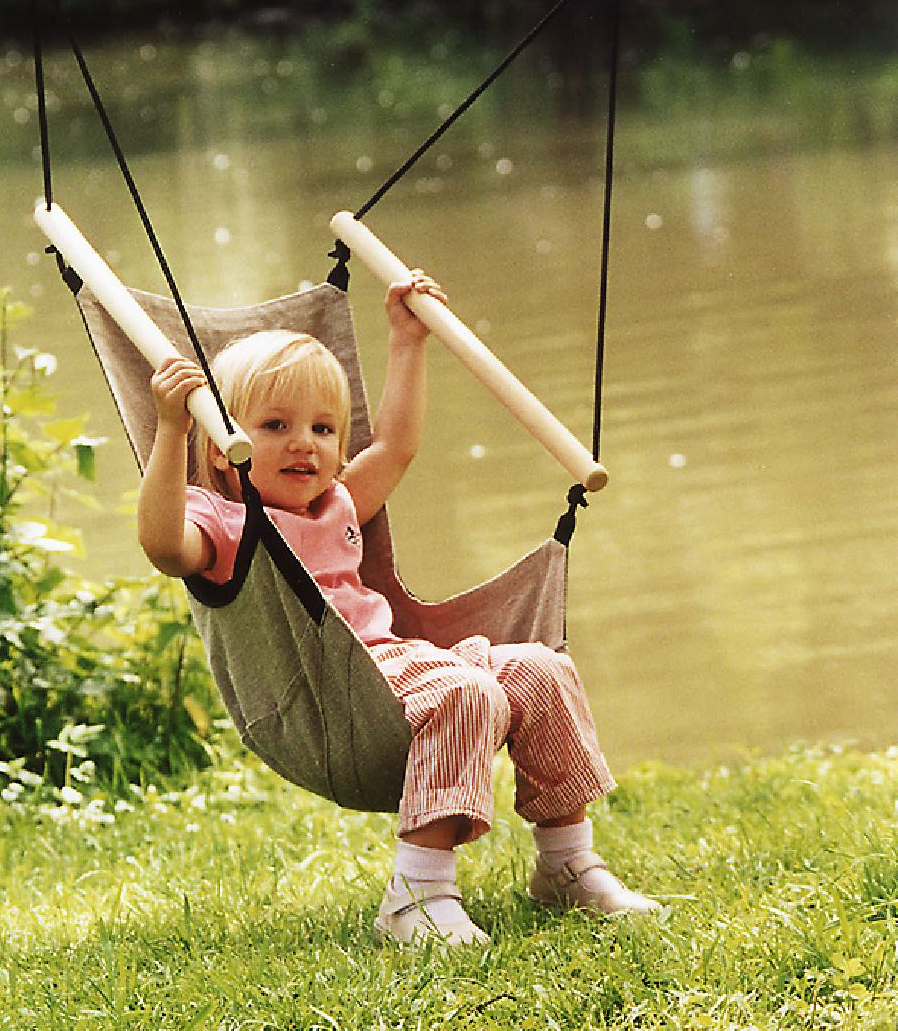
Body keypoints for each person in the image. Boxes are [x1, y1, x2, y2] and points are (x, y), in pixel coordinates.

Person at [137, 270, 661, 946]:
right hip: (336, 701)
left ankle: (564, 862)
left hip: (403, 671)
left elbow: (395, 446)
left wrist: (407, 340)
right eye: (275, 426)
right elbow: (160, 544)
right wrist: (169, 426)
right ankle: (414, 898)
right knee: (466, 692)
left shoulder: (340, 502)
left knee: (540, 669)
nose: (306, 443)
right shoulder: (222, 520)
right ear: (219, 445)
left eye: (324, 428)